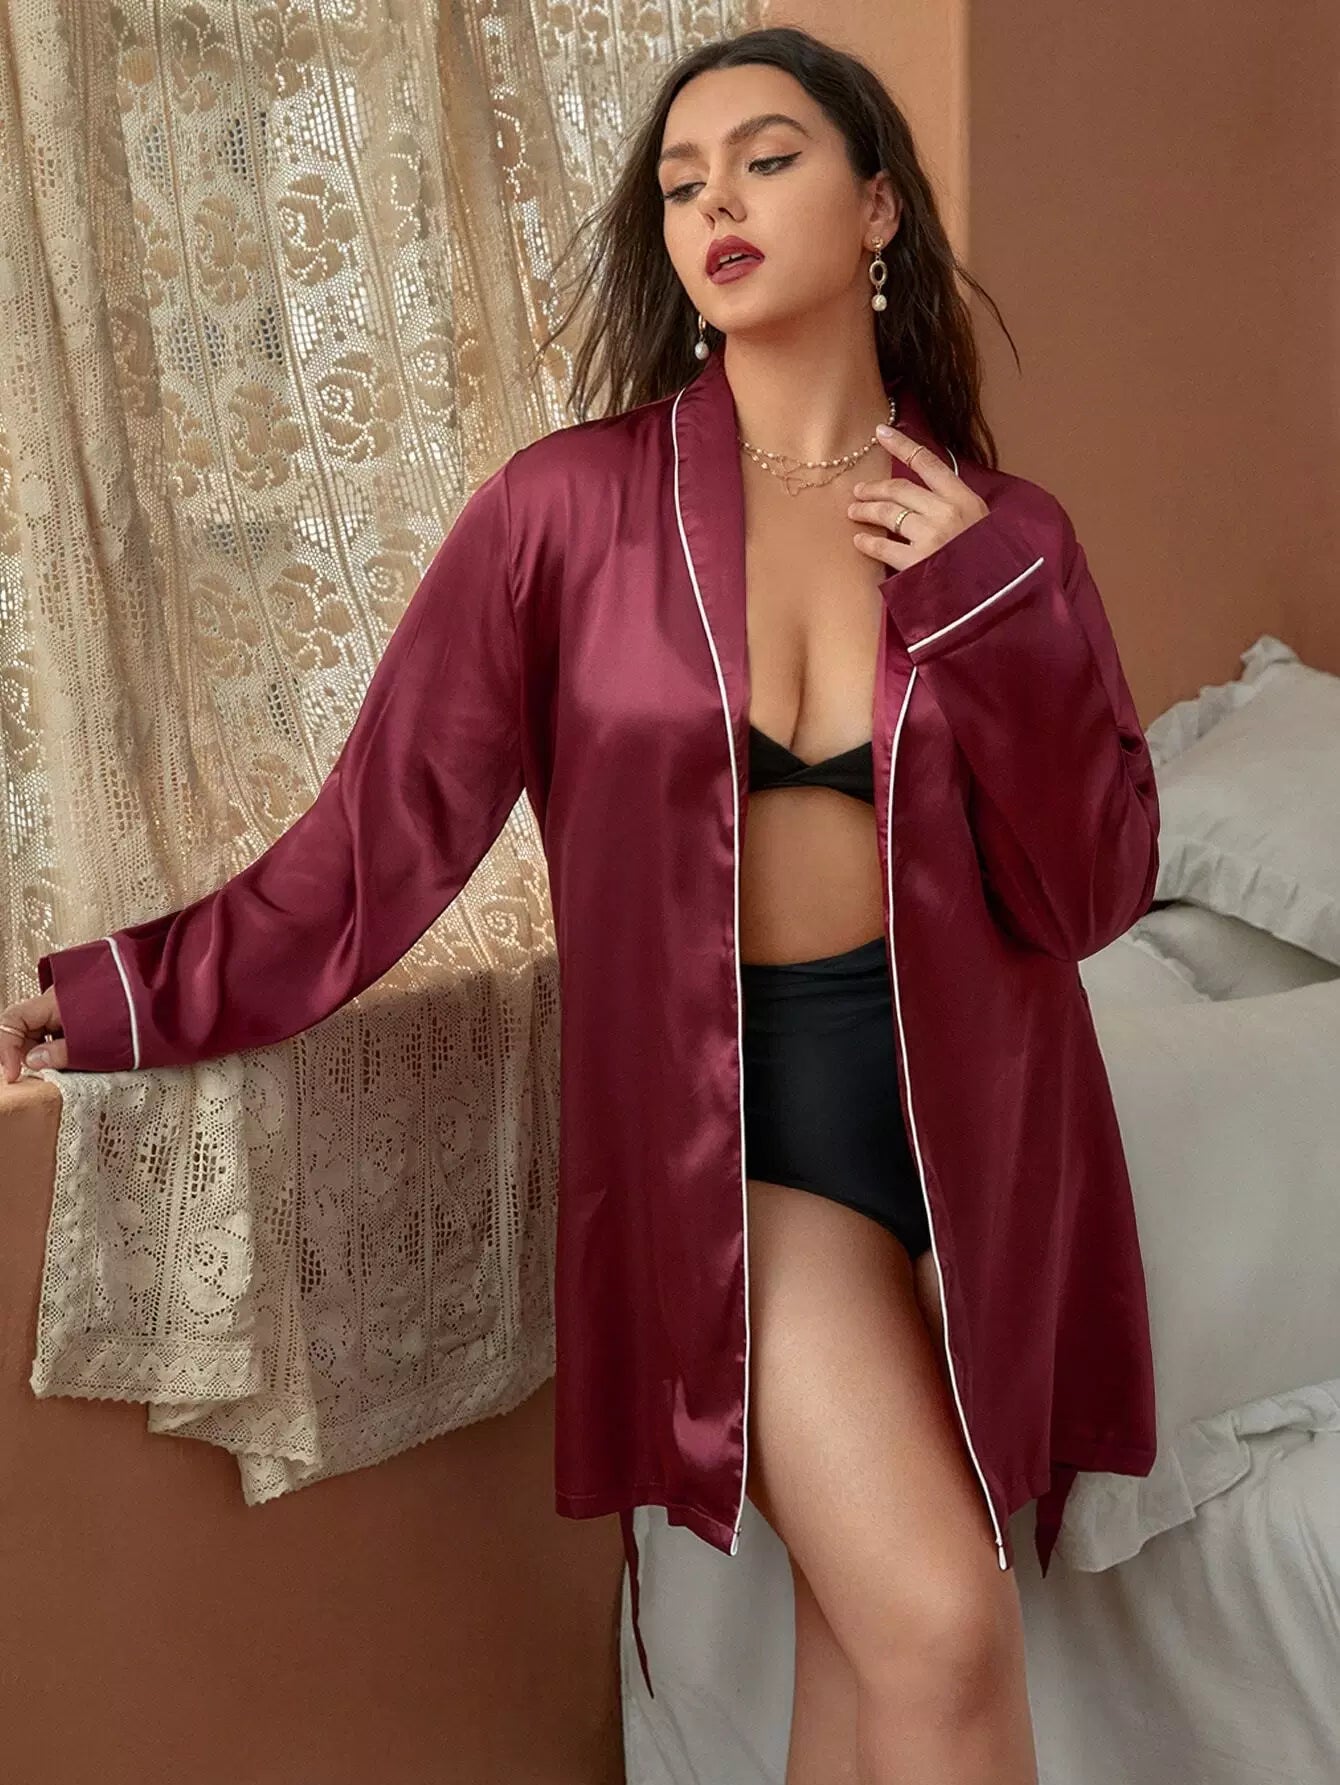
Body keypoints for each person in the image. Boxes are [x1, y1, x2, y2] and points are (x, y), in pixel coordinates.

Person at [2, 26, 1161, 1783]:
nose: (716, 202)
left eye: (767, 159)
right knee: (943, 1624)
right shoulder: (570, 515)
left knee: (867, 1659)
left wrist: (997, 604)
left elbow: (1090, 891)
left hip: (983, 1131)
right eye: (683, 181)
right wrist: (114, 994)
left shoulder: (1002, 535)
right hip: (741, 1136)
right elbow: (378, 838)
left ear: (878, 210)